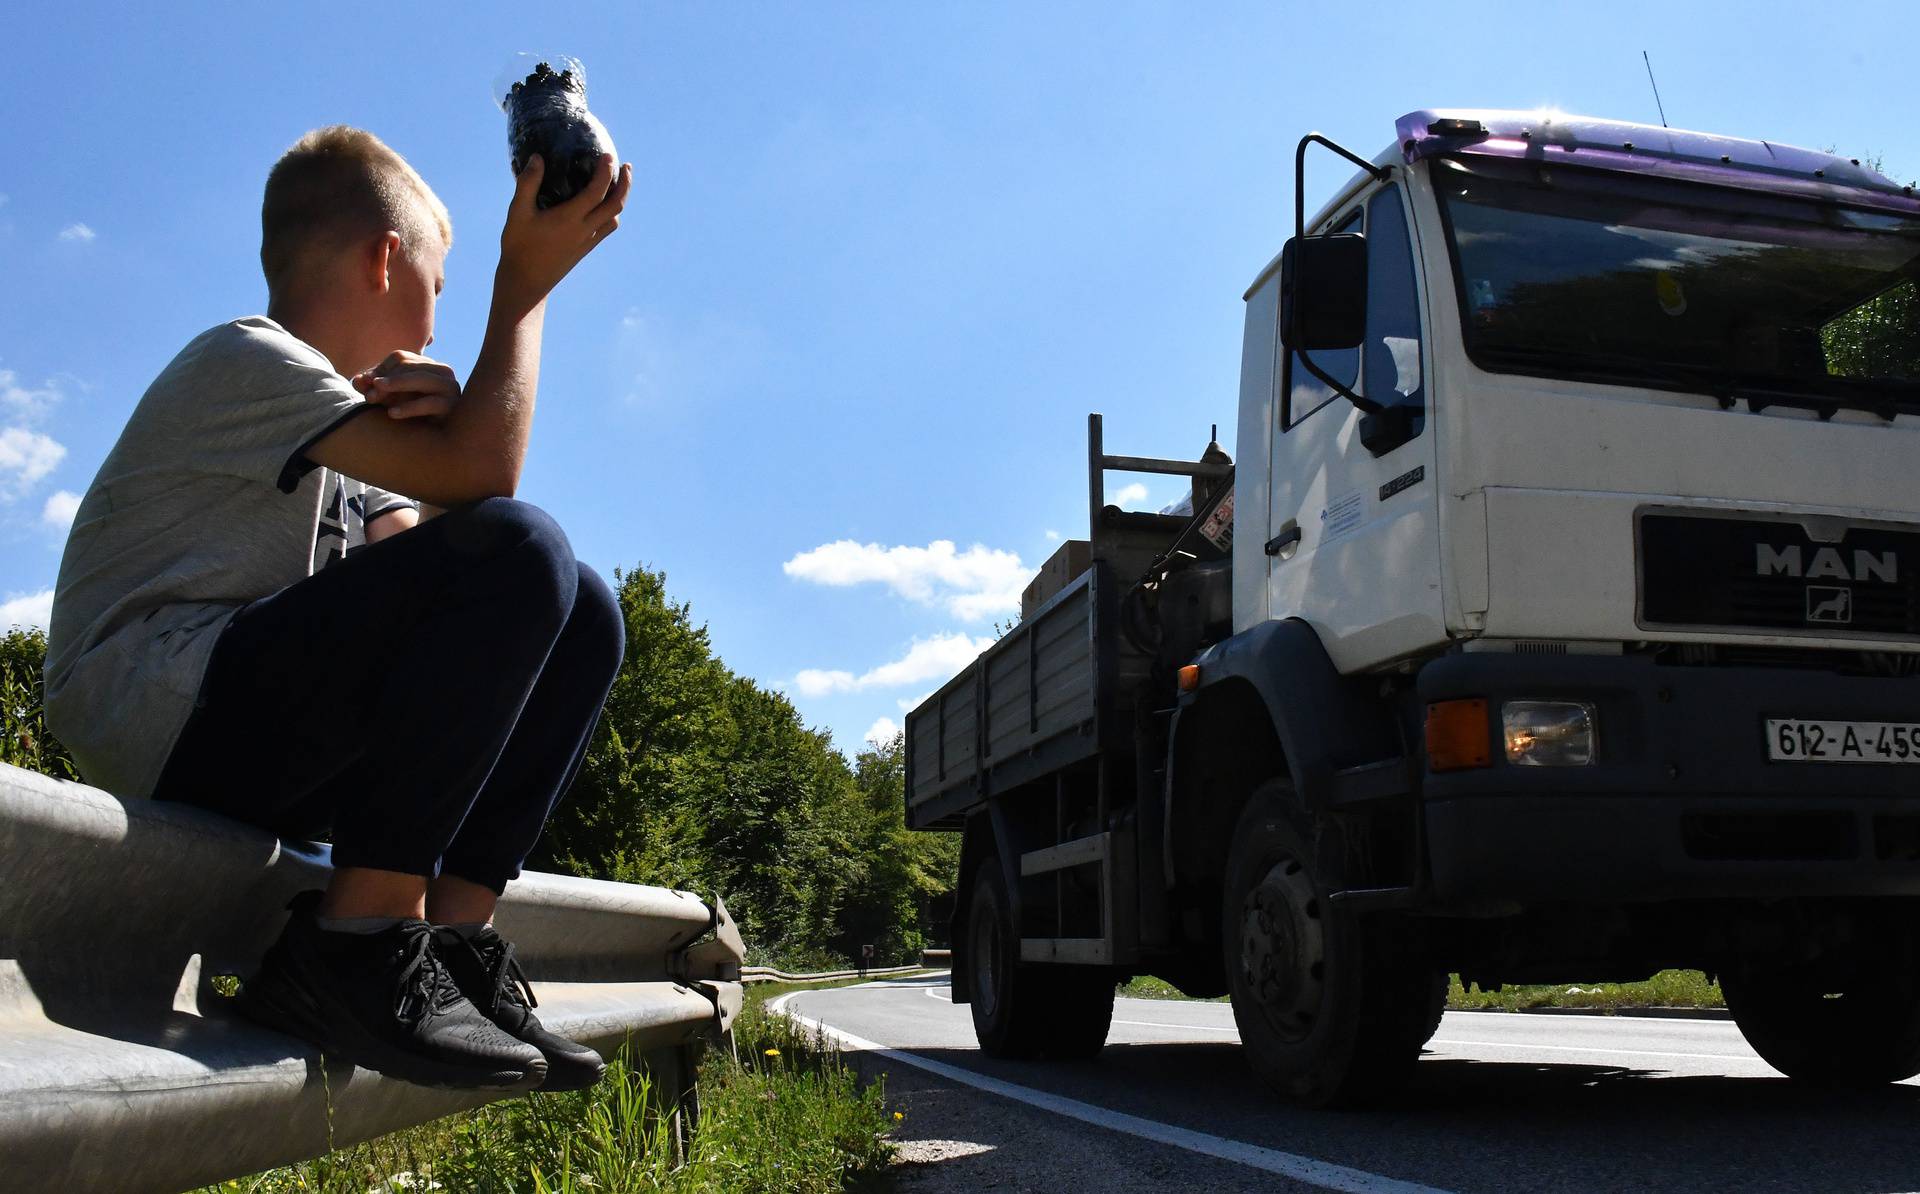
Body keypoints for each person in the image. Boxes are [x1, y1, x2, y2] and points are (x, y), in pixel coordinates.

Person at [43, 126, 633, 1092]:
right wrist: (521, 290)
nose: (437, 328)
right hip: (159, 705)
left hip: (243, 724)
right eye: (439, 289)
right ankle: (357, 941)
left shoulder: (351, 440)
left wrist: (449, 434)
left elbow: (448, 576)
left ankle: (448, 940)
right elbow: (498, 500)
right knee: (527, 546)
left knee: (584, 606)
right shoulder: (247, 358)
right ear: (385, 259)